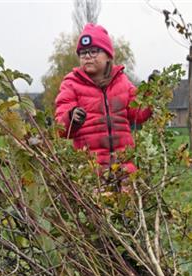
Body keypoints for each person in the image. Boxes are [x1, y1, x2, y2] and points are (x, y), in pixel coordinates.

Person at [54, 23, 152, 176]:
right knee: (95, 200)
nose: (87, 56)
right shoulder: (71, 84)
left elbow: (137, 114)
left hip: (124, 167)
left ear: (108, 56)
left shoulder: (122, 81)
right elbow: (60, 128)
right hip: (92, 171)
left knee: (129, 197)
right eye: (83, 53)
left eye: (93, 52)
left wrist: (151, 93)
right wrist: (71, 118)